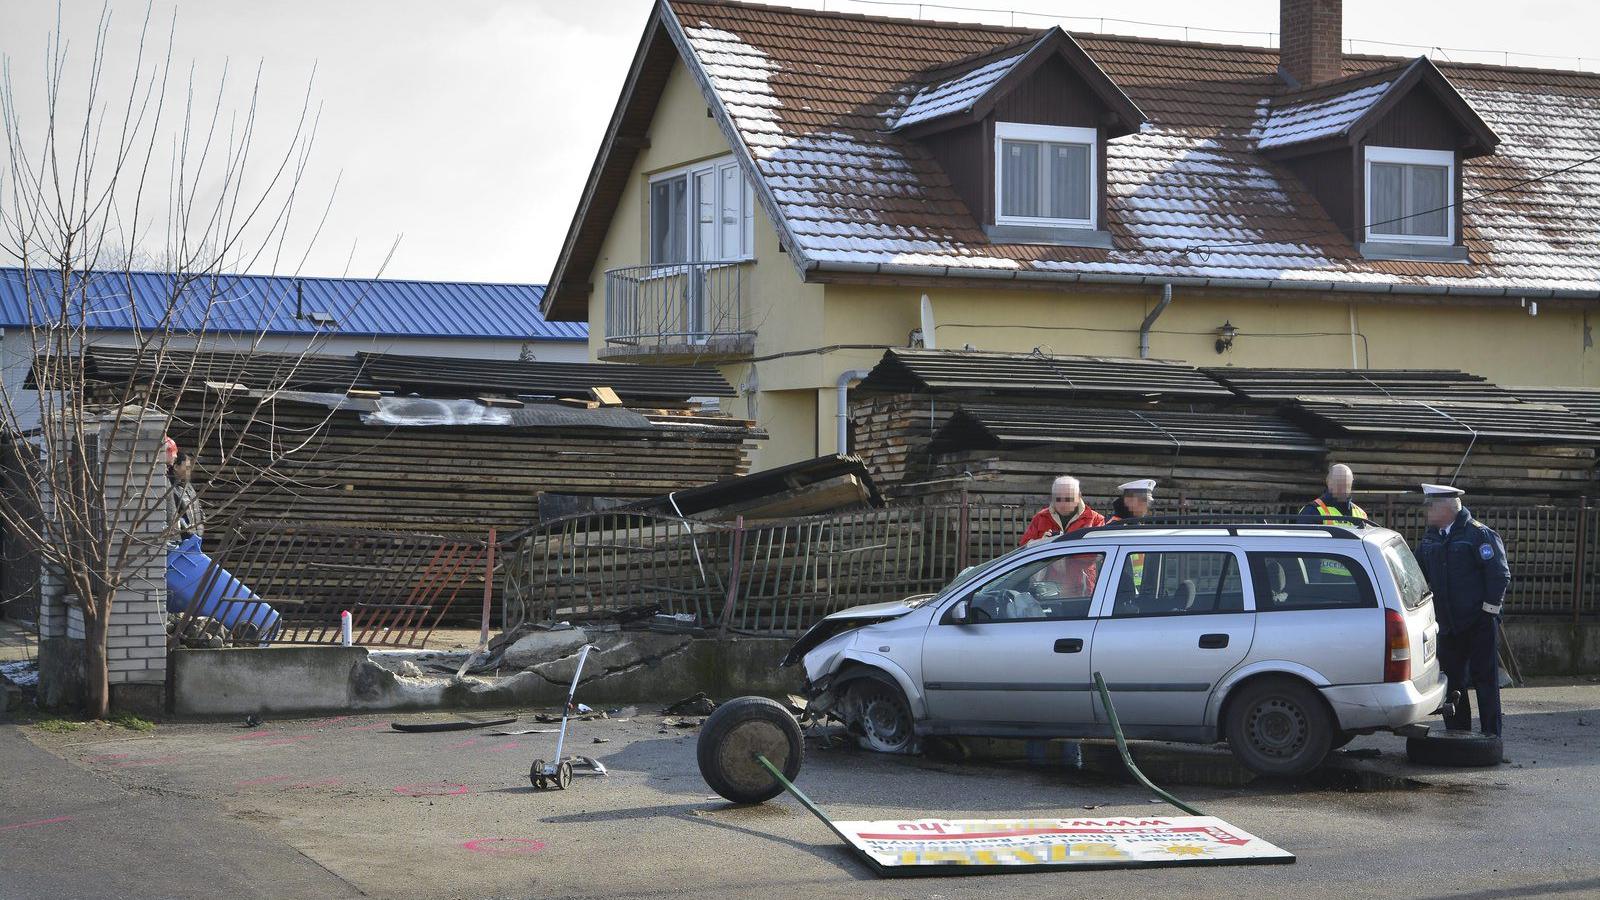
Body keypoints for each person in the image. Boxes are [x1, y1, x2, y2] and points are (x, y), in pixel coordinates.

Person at [1415, 483, 1509, 737]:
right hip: (1447, 625)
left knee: (1485, 681)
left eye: (1430, 506)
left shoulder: (1479, 535)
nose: (1426, 512)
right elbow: (1417, 576)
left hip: (1478, 623)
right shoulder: (1430, 538)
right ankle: (1458, 735)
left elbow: (1498, 574)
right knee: (1453, 683)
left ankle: (1491, 736)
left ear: (1447, 508)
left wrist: (1488, 613)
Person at [1018, 475, 1105, 596]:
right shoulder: (1040, 517)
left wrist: (1064, 545)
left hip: (1082, 589)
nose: (1063, 504)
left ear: (1079, 496)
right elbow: (1023, 548)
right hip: (1047, 589)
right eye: (1058, 499)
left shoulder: (1095, 519)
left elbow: (1096, 555)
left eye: (1068, 499)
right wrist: (1041, 543)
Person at [1300, 464, 1367, 523]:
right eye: (1338, 484)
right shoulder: (1311, 511)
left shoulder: (1361, 514)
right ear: (1328, 482)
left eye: (1346, 485)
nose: (1343, 489)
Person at [168, 449, 205, 541]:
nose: (189, 470)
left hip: (197, 536)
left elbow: (197, 505)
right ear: (176, 467)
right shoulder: (170, 488)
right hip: (182, 539)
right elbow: (172, 514)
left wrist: (201, 523)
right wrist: (188, 531)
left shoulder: (188, 486)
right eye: (187, 467)